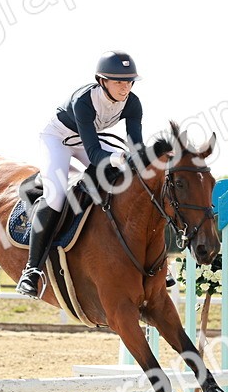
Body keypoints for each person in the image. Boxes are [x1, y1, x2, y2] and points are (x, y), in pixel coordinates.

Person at [16, 50, 144, 297]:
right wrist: (119, 157)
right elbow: (96, 155)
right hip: (58, 138)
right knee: (55, 196)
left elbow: (136, 146)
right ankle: (31, 271)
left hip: (88, 141)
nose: (125, 87)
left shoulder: (133, 103)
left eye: (129, 81)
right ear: (101, 80)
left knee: (129, 174)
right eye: (118, 81)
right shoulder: (84, 100)